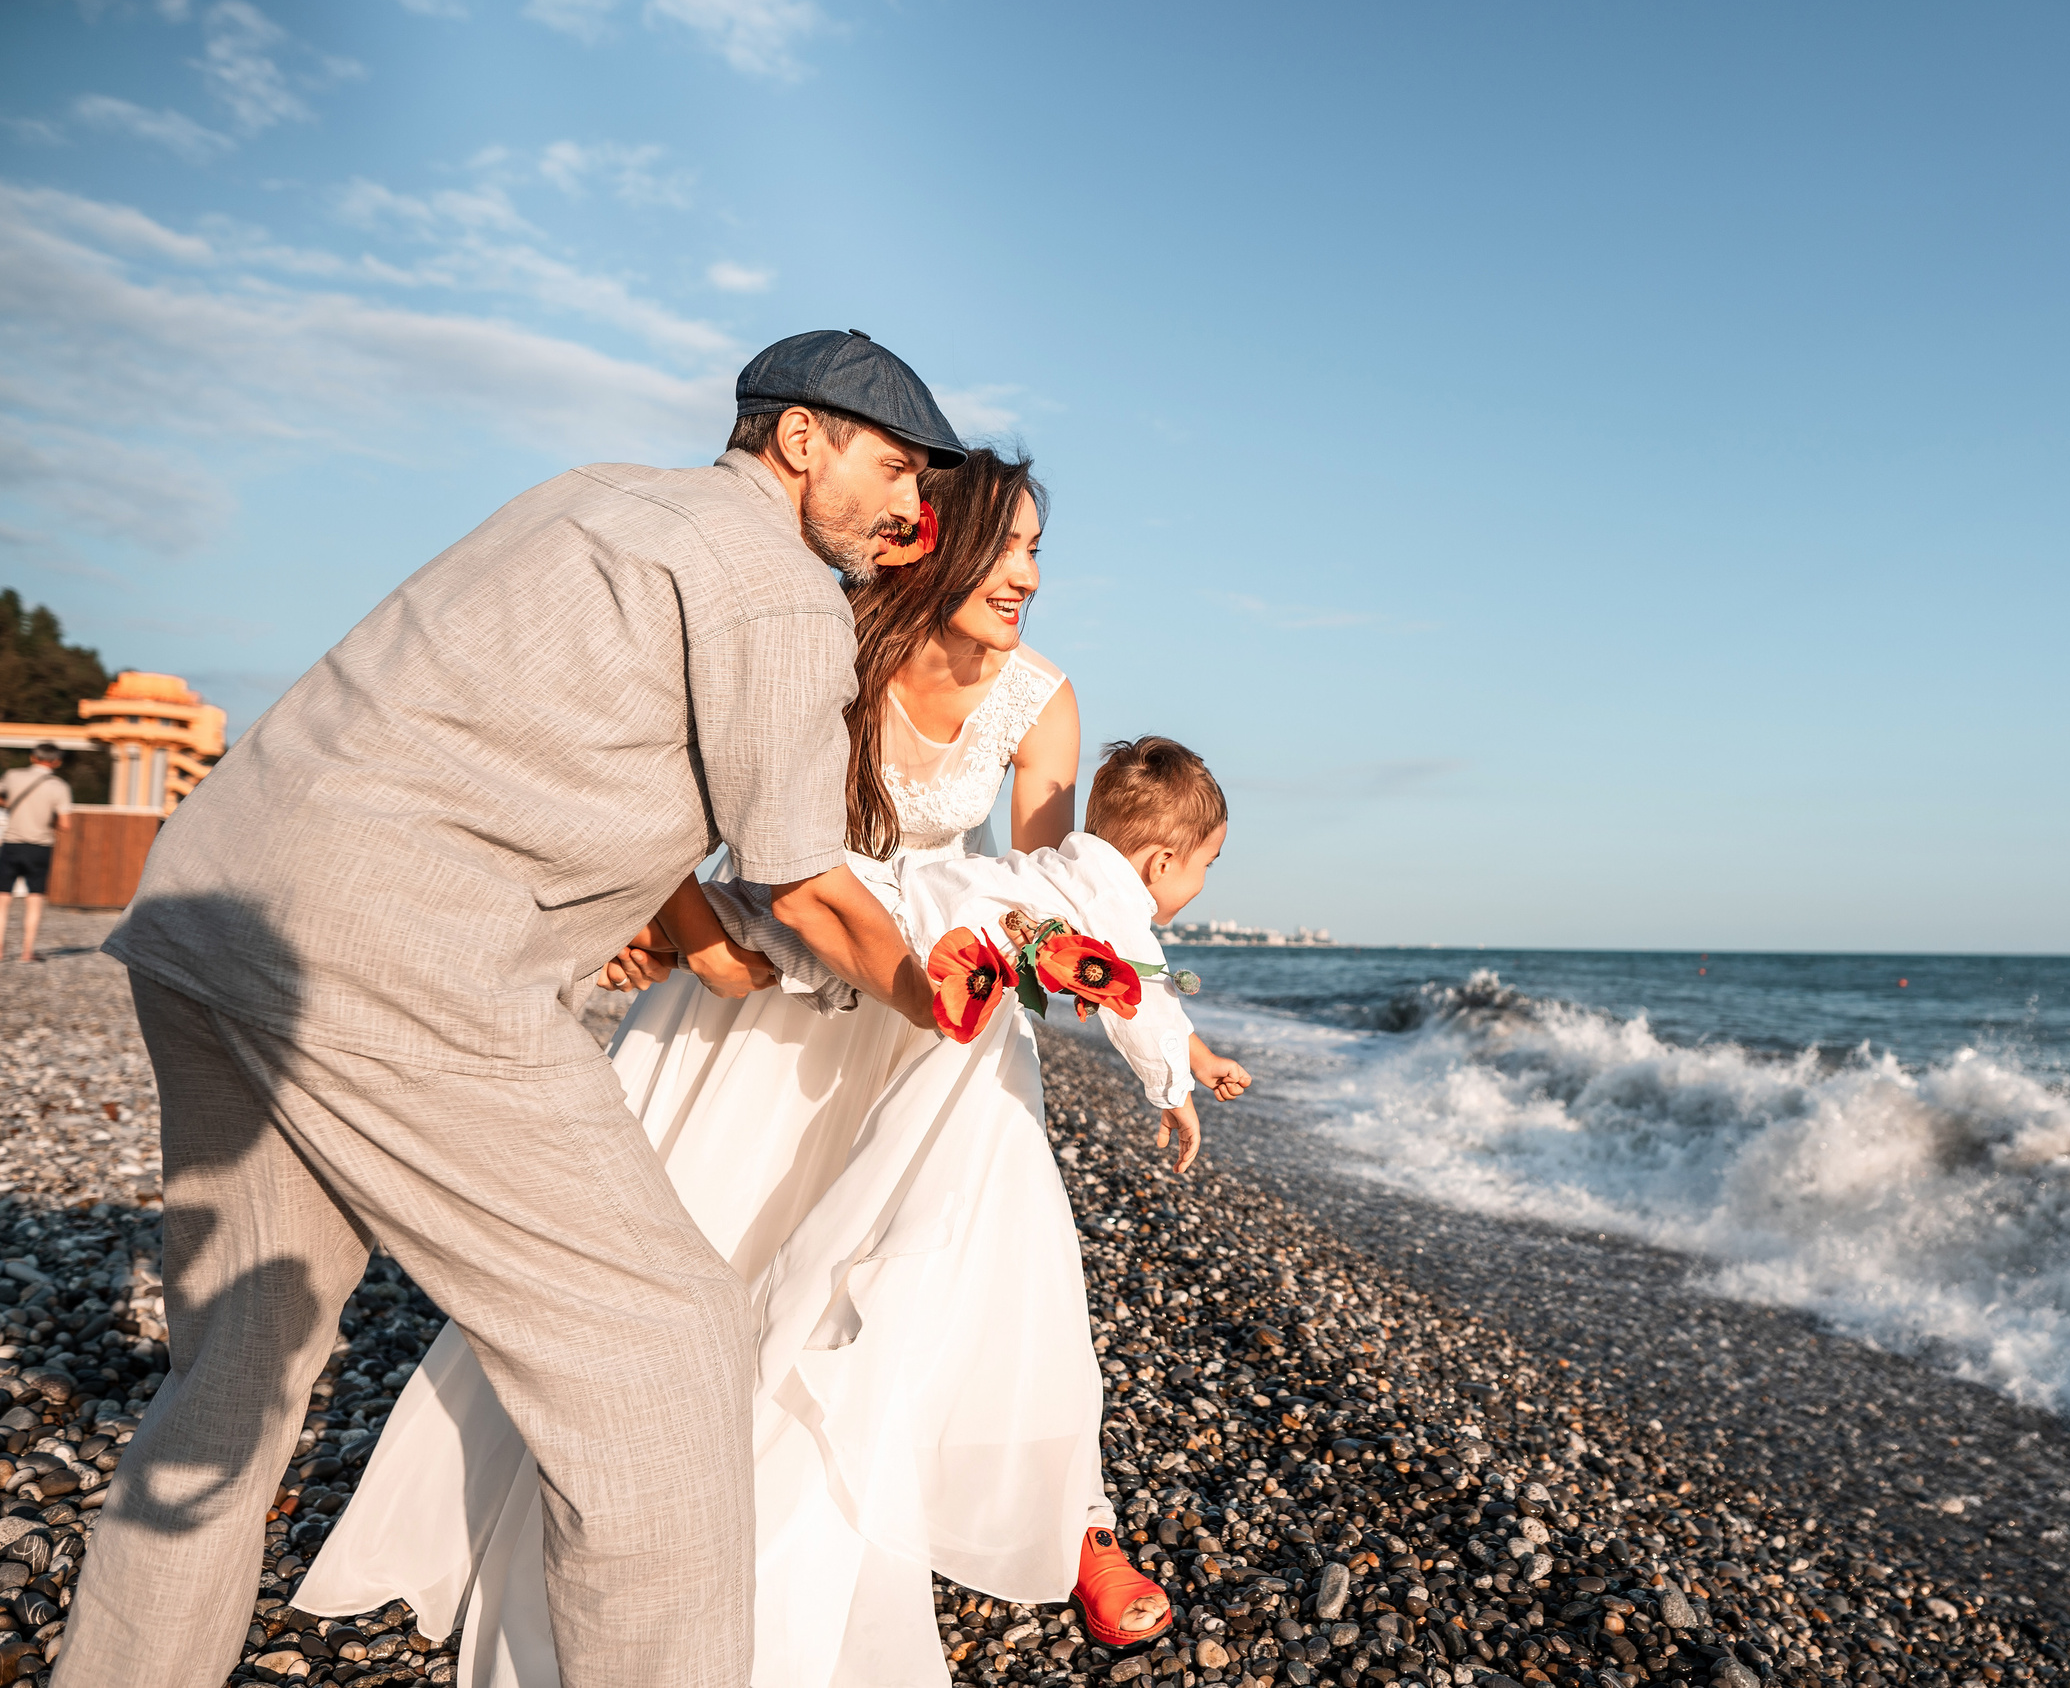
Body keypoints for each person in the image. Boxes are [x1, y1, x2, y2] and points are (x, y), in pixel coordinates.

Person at [58, 330, 966, 1688]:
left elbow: (617, 835)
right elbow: (802, 880)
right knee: (665, 1349)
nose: (911, 509)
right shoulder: (777, 588)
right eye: (893, 466)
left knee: (233, 1385)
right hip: (396, 964)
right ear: (797, 439)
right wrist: (937, 988)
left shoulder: (583, 495)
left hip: (209, 915)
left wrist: (676, 939)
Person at [304, 735, 1249, 1688]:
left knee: (775, 946)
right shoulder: (1115, 897)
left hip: (893, 921)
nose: (1196, 888)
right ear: (1162, 861)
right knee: (908, 1248)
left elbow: (1104, 966)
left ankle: (1052, 1507)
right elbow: (1136, 990)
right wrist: (1181, 1079)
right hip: (891, 942)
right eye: (1204, 870)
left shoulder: (1057, 845)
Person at [1, 742, 72, 963]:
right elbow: (65, 824)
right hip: (40, 847)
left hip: (12, 843)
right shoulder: (59, 787)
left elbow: (2, 798)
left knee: (2, 900)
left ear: (33, 757)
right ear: (57, 762)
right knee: (34, 899)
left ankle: (0, 951)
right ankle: (26, 952)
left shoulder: (12, 775)